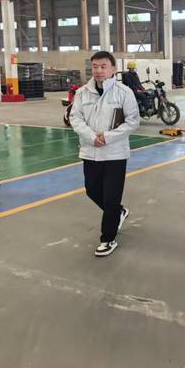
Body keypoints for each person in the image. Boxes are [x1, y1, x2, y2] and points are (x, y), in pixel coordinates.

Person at [69, 51, 140, 257]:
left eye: (103, 66)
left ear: (113, 69)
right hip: (90, 151)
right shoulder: (82, 93)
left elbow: (132, 121)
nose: (99, 71)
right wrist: (92, 137)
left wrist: (107, 137)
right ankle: (118, 212)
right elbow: (75, 118)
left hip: (115, 153)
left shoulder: (124, 92)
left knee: (111, 197)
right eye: (95, 67)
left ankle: (108, 239)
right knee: (92, 190)